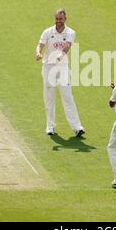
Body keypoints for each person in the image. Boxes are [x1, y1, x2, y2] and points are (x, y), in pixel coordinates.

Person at [35, 9, 85, 137]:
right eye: (57, 19)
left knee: (67, 96)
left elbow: (67, 46)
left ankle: (77, 127)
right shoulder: (48, 31)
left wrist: (60, 56)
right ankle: (50, 127)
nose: (58, 21)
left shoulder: (70, 32)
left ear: (65, 19)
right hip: (48, 67)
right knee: (49, 97)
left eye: (60, 19)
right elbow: (40, 44)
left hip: (62, 67)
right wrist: (38, 52)